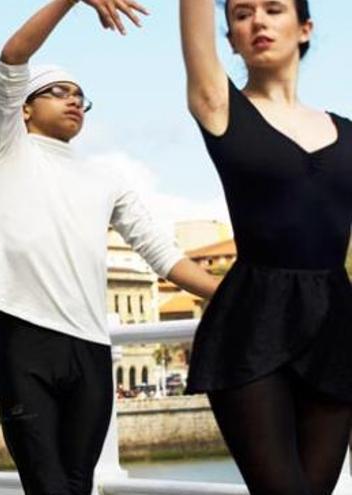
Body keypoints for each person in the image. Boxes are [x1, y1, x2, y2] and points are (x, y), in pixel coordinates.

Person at [0, 1, 219, 492]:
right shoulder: (8, 150)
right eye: (57, 92)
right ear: (23, 108)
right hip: (26, 337)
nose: (72, 100)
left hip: (90, 345)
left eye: (80, 96)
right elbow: (11, 56)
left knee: (78, 483)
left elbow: (161, 253)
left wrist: (230, 291)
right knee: (47, 486)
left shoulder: (106, 178)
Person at [179, 1, 352, 493]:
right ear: (229, 39)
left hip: (336, 326)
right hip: (251, 326)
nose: (256, 21)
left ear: (305, 28)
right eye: (240, 14)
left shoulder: (349, 134)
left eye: (273, 9)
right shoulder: (220, 108)